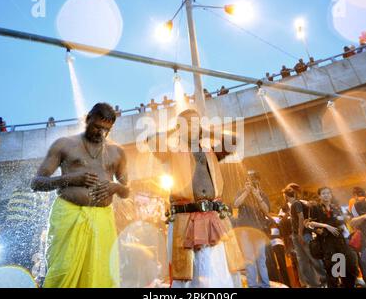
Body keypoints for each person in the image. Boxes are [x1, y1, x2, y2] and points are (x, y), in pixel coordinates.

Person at [31, 103, 130, 288]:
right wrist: (69, 179)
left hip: (102, 219)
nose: (101, 133)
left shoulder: (117, 152)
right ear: (87, 119)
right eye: (97, 127)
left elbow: (127, 190)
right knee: (62, 272)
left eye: (106, 130)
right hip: (68, 214)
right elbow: (36, 183)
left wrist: (115, 188)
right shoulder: (64, 145)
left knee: (100, 275)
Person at [148, 109, 244, 288]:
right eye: (188, 123)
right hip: (185, 219)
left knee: (219, 269)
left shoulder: (210, 152)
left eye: (196, 122)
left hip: (214, 217)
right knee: (188, 275)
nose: (193, 126)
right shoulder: (171, 152)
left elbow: (234, 140)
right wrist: (176, 129)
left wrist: (206, 131)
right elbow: (151, 139)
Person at [306, 187, 358, 288]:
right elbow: (309, 223)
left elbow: (342, 220)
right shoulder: (315, 208)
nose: (326, 195)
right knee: (333, 270)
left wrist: (346, 218)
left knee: (346, 268)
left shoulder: (335, 207)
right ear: (319, 196)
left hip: (340, 240)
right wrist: (326, 226)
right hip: (327, 243)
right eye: (323, 193)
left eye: (328, 193)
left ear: (331, 195)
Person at [233, 170, 271, 288]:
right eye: (250, 180)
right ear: (246, 182)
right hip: (245, 230)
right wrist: (246, 192)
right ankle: (253, 285)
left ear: (258, 181)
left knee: (261, 259)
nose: (252, 182)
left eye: (255, 180)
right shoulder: (241, 192)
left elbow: (266, 210)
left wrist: (258, 196)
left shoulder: (262, 194)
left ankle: (265, 285)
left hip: (259, 229)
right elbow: (235, 204)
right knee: (249, 260)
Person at [283, 183, 325, 287]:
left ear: (286, 196)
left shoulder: (296, 204)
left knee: (312, 258)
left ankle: (325, 279)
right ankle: (313, 284)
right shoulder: (294, 205)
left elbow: (301, 217)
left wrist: (300, 234)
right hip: (297, 235)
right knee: (303, 261)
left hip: (303, 235)